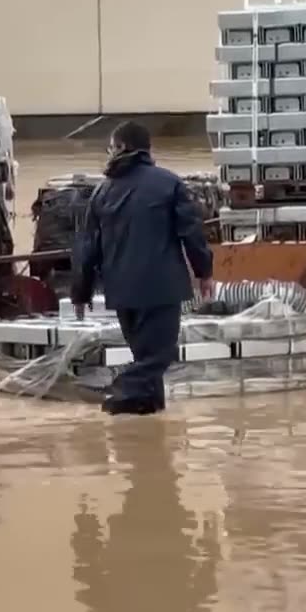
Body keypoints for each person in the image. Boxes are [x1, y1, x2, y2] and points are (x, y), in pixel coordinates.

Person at [71, 121, 214, 416]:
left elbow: (87, 249)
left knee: (146, 358)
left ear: (121, 147)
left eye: (111, 146)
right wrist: (204, 273)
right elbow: (192, 233)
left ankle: (148, 423)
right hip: (161, 289)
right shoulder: (169, 183)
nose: (108, 152)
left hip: (122, 293)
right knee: (160, 356)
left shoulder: (101, 192)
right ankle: (120, 390)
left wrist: (80, 293)